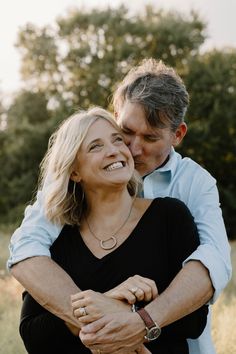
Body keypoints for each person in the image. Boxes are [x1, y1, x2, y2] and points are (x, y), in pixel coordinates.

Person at [8, 59, 231, 354]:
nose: (132, 148)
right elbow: (26, 248)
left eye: (150, 137)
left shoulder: (191, 188)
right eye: (126, 131)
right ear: (116, 116)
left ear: (177, 135)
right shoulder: (67, 206)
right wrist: (103, 312)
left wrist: (139, 322)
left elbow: (213, 262)